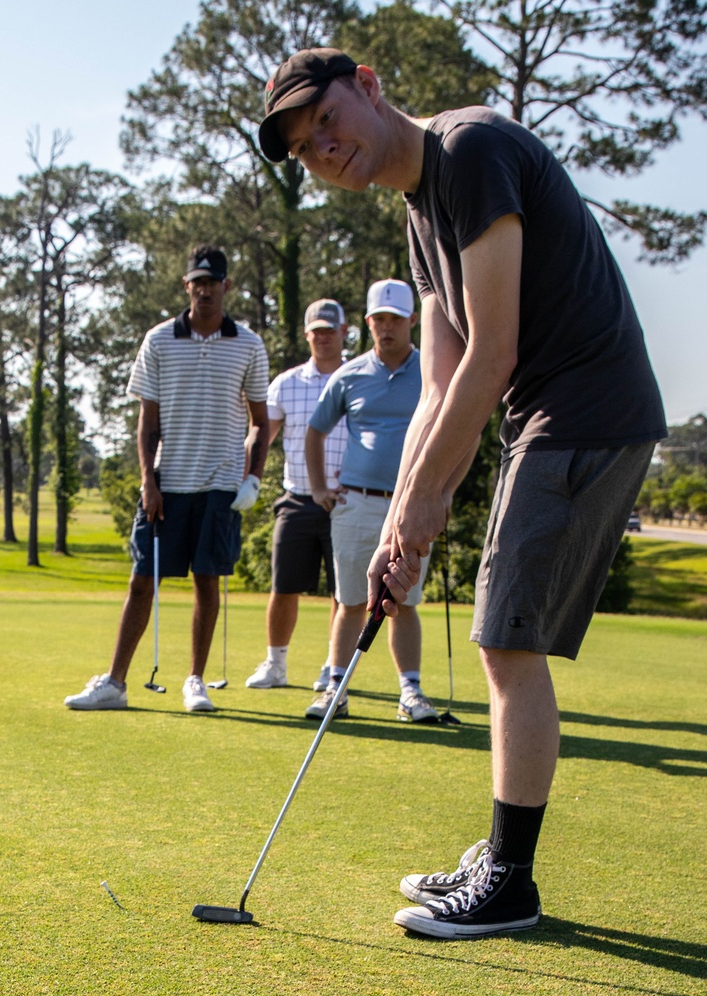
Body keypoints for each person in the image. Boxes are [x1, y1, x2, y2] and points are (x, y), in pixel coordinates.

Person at [258, 49, 665, 937]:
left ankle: (510, 881)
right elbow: (439, 392)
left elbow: (495, 354)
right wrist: (404, 520)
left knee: (506, 644)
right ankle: (498, 854)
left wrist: (423, 504)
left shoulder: (471, 151)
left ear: (368, 84)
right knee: (500, 640)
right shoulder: (419, 217)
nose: (323, 148)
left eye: (326, 119)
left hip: (585, 412)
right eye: (303, 146)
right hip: (549, 420)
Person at [65, 246, 270, 714]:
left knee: (206, 580)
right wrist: (148, 481)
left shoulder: (248, 344)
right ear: (186, 285)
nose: (204, 289)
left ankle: (195, 681)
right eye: (197, 281)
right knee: (142, 581)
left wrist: (253, 478)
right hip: (167, 481)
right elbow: (147, 421)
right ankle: (115, 682)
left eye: (212, 282)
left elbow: (260, 421)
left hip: (220, 482)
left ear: (226, 286)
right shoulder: (158, 340)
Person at [304, 278, 439, 724]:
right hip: (356, 504)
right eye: (379, 320)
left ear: (412, 321)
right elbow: (315, 431)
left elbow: (467, 435)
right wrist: (320, 488)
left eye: (395, 320)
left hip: (411, 508)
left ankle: (411, 693)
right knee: (349, 600)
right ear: (367, 323)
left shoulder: (434, 370)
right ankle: (336, 689)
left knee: (405, 603)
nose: (386, 328)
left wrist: (445, 490)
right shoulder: (350, 374)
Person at [245, 299, 348, 692]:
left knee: (344, 593)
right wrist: (242, 477)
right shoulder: (287, 383)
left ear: (343, 332)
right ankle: (276, 664)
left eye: (329, 330)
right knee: (283, 587)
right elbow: (262, 437)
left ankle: (333, 666)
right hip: (297, 498)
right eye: (316, 331)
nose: (322, 337)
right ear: (307, 335)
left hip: (346, 501)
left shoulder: (357, 377)